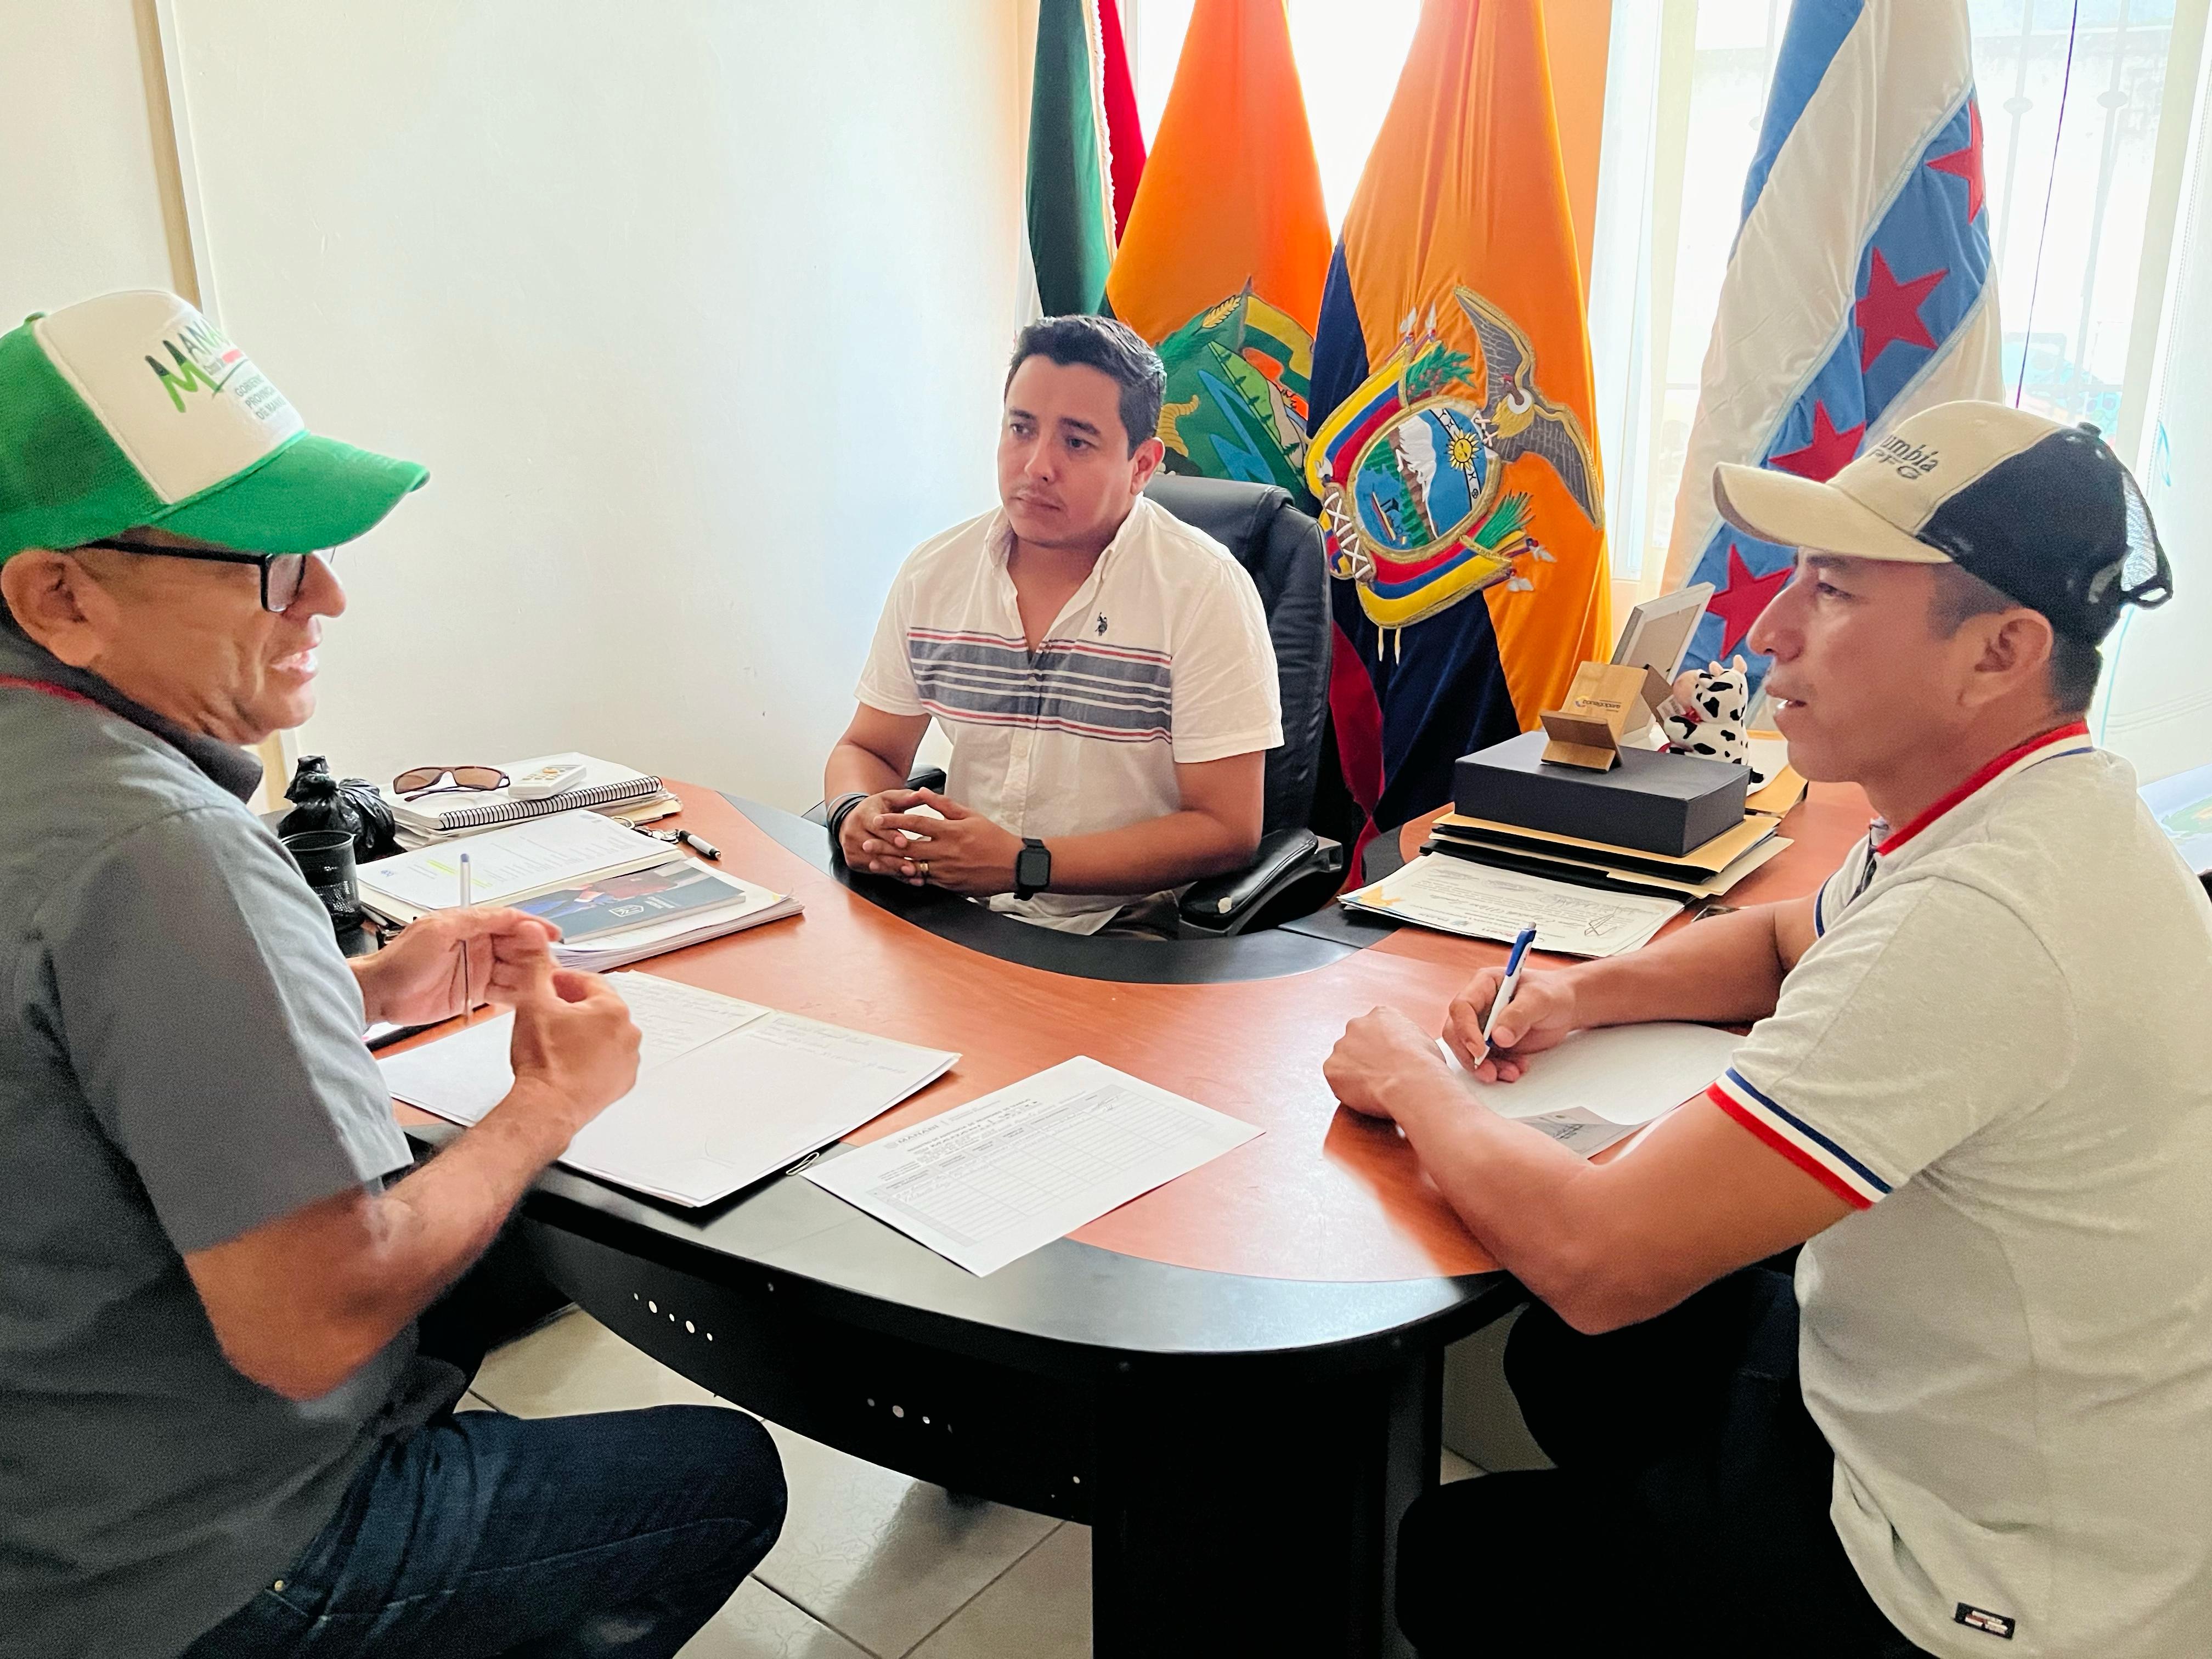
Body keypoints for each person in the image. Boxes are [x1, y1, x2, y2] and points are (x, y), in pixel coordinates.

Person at [1321, 401, 2210, 1657]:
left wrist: (1417, 1082)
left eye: (1833, 592)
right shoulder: (2033, 807)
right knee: (1575, 1368)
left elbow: (1597, 1257)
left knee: (1464, 1558)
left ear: (1999, 653)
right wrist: (1581, 992)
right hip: (1952, 1400)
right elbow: (1790, 939)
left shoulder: (1983, 916)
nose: (1768, 629)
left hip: (1982, 1580)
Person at [0, 291, 785, 1659]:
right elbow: (311, 1325)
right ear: (61, 596)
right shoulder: (163, 848)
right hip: (176, 1574)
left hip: (43, 1483)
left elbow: (65, 1052)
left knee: (478, 1285)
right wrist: (549, 1101)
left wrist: (355, 993)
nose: (326, 595)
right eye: (268, 560)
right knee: (726, 1477)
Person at [823, 314, 1283, 934]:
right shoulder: (935, 574)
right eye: (1021, 429)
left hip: (1123, 928)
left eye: (1077, 442)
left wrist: (1026, 864)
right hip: (955, 909)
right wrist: (856, 812)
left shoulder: (1203, 589)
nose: (1037, 465)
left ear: (1142, 466)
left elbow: (1226, 829)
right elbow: (868, 748)